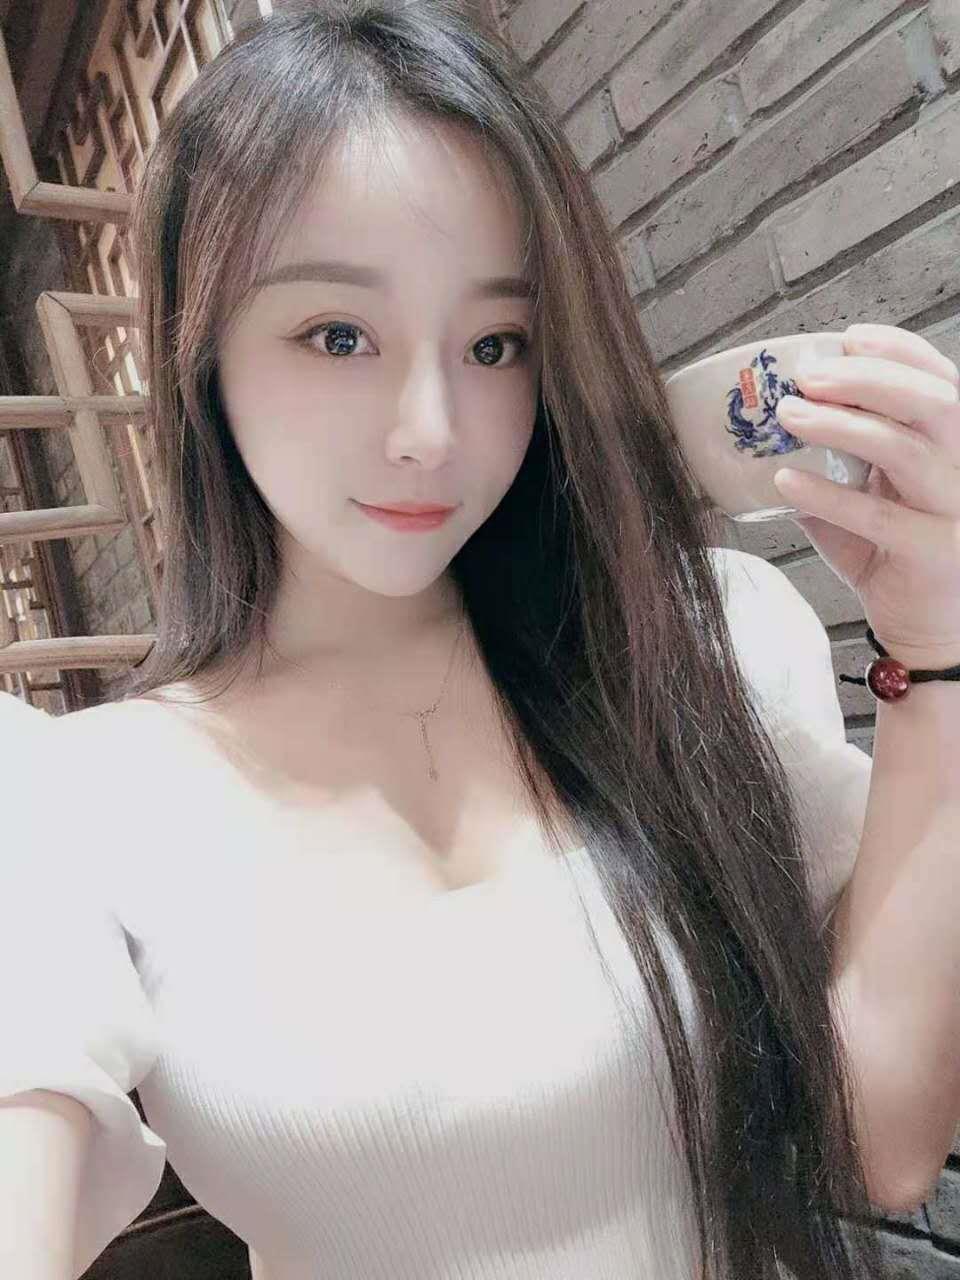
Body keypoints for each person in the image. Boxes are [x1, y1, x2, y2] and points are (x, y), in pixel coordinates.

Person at [2, 2, 959, 1278]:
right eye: (338, 335)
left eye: (496, 343)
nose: (431, 431)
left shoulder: (705, 643)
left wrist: (933, 647)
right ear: (202, 352)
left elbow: (880, 1141)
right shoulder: (76, 798)